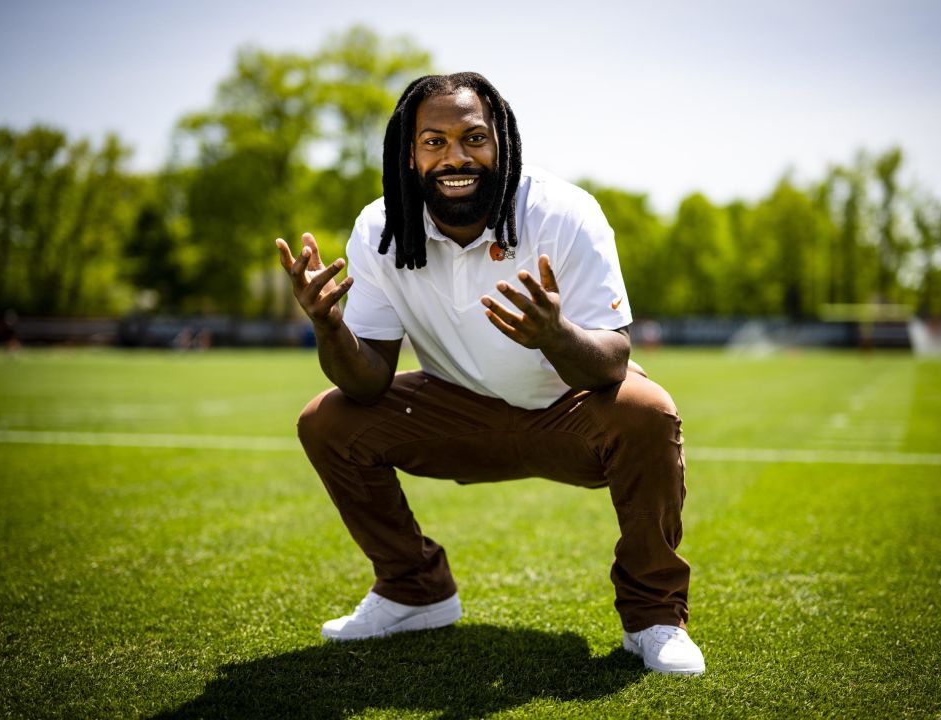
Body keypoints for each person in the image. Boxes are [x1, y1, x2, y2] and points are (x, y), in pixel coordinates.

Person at [276, 72, 703, 676]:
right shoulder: (380, 227)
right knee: (327, 421)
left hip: (568, 409)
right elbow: (368, 381)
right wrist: (327, 325)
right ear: (409, 152)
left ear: (502, 142)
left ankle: (653, 616)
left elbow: (611, 361)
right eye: (434, 141)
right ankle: (414, 591)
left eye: (474, 137)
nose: (456, 156)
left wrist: (556, 336)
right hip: (459, 410)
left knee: (646, 409)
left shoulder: (565, 213)